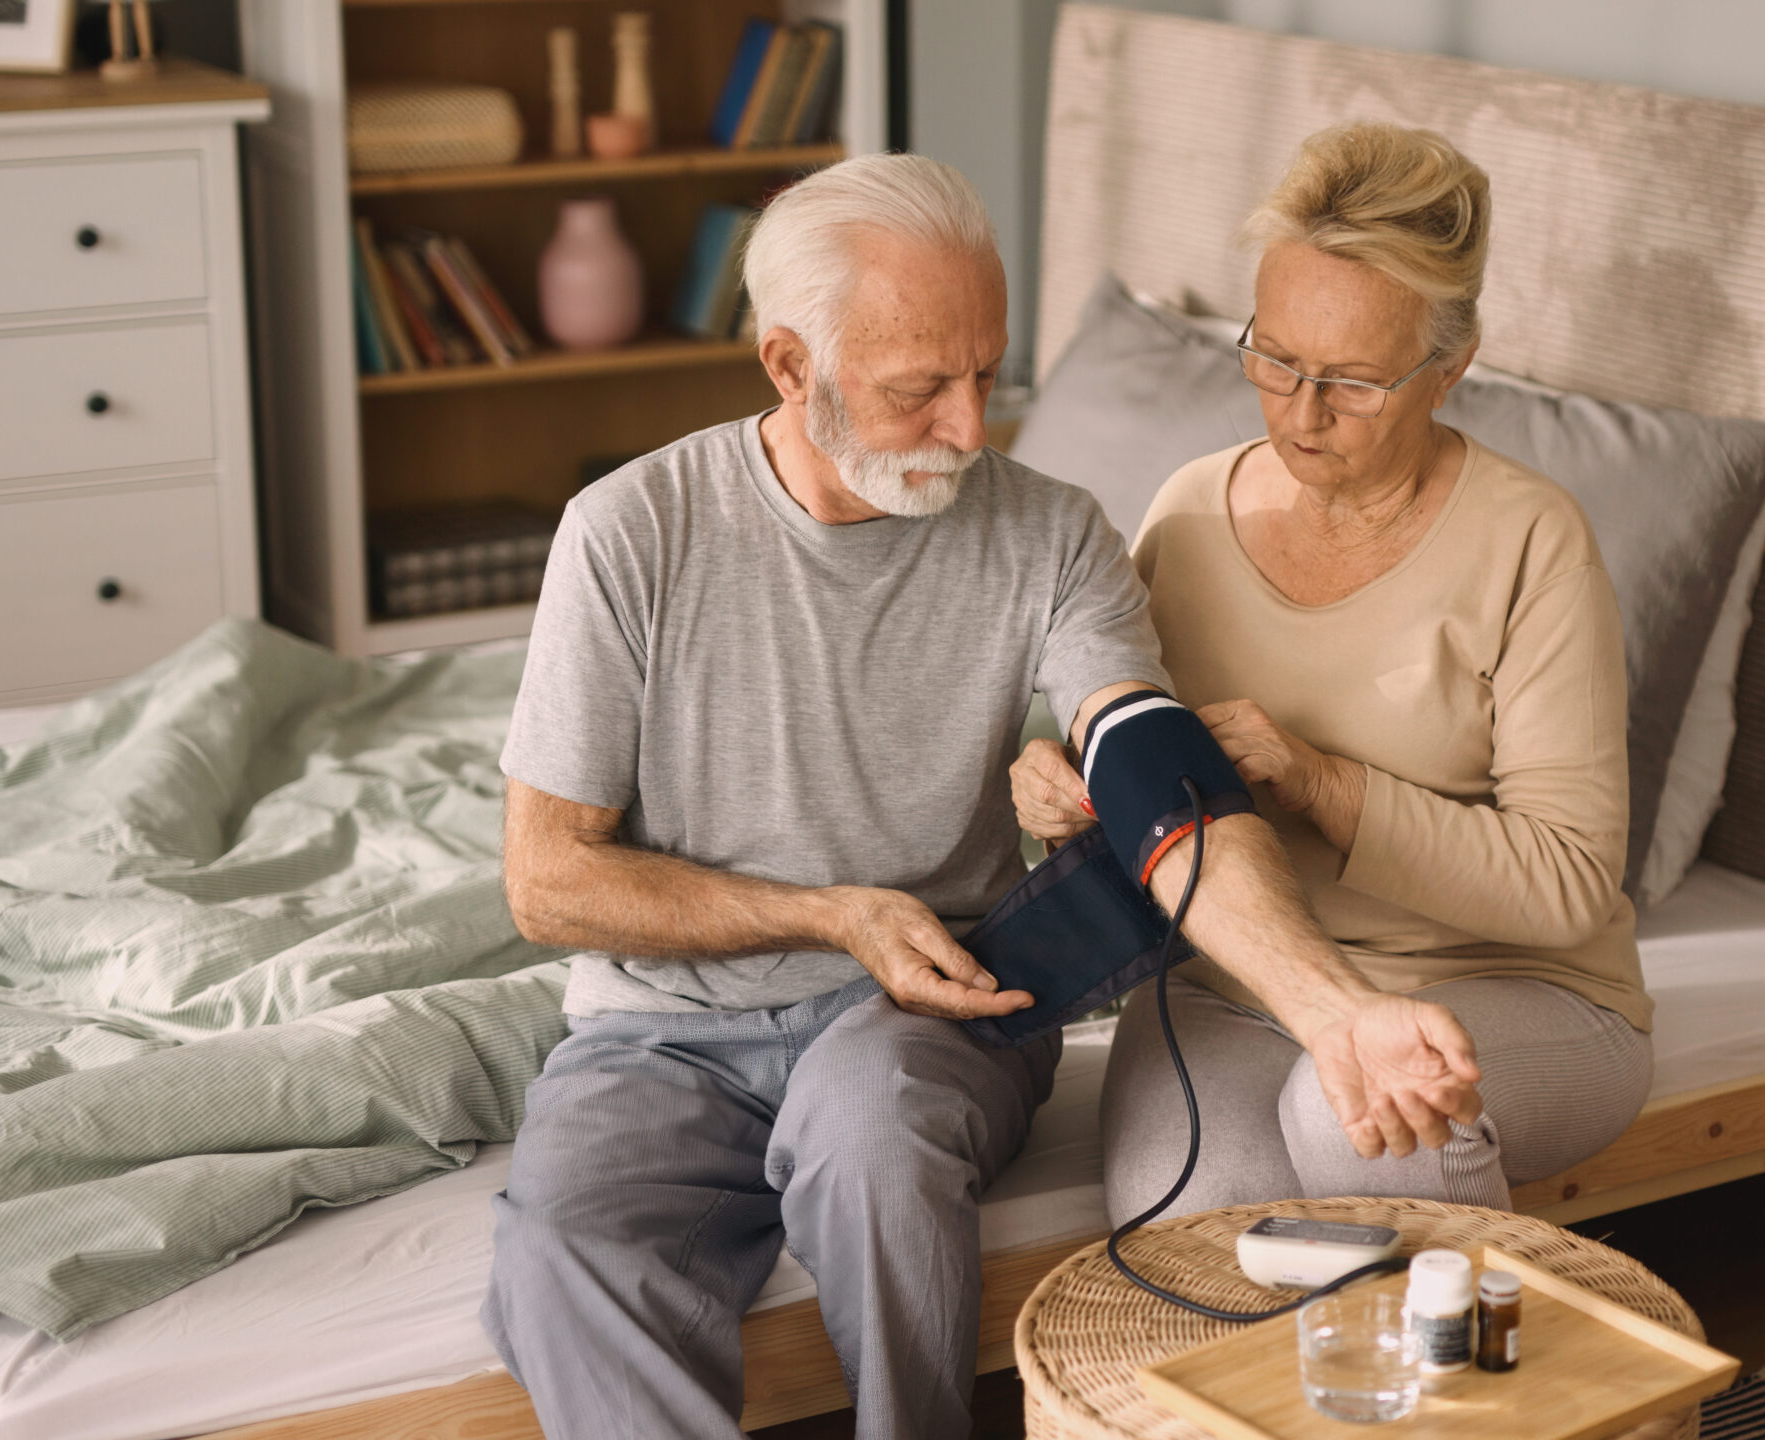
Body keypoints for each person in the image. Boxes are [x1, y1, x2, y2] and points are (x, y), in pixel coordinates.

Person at [481, 153, 1486, 1440]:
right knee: (565, 1247)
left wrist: (1335, 1014)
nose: (971, 429)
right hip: (657, 1036)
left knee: (876, 1141)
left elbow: (1155, 776)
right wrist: (836, 914)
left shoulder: (1051, 535)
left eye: (987, 373)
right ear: (790, 366)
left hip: (935, 1007)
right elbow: (548, 879)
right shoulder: (629, 534)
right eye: (918, 391)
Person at [1013, 123, 1655, 1225]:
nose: (1300, 415)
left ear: (1448, 370)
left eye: (1352, 384)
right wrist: (1060, 794)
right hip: (1241, 986)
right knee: (1192, 1220)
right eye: (1274, 359)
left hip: (1519, 991)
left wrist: (1323, 784)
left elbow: (1567, 881)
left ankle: (1477, 1384)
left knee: (1345, 1103)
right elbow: (1138, 773)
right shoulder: (1189, 512)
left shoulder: (1532, 544)